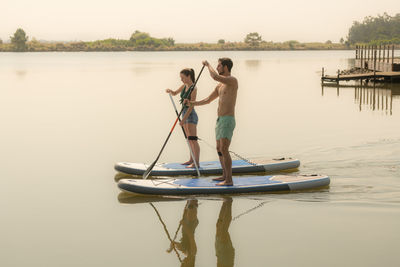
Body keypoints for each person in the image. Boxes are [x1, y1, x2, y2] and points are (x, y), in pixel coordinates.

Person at [184, 58, 238, 186]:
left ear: (225, 67)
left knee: (224, 149)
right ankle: (224, 175)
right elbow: (207, 100)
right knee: (219, 149)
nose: (217, 67)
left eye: (219, 65)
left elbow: (214, 76)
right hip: (219, 120)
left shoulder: (232, 81)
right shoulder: (220, 86)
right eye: (217, 66)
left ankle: (229, 180)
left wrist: (208, 65)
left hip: (228, 119)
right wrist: (192, 103)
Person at [166, 68, 200, 168]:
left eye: (183, 77)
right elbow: (175, 93)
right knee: (188, 139)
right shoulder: (184, 85)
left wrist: (184, 119)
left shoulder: (193, 88)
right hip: (183, 113)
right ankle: (191, 159)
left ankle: (196, 163)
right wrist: (170, 91)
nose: (181, 80)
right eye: (180, 78)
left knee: (193, 139)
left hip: (190, 115)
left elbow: (192, 106)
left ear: (188, 76)